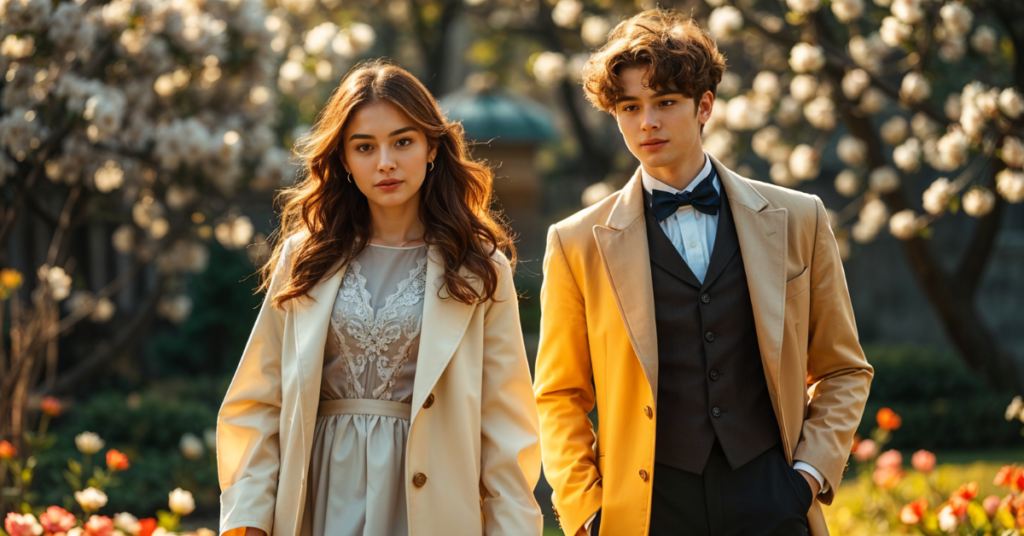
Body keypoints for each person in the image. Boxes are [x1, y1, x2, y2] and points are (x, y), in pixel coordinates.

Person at [534, 9, 873, 536]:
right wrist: (588, 513)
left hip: (771, 495)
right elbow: (559, 395)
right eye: (630, 107)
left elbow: (843, 369)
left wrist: (806, 476)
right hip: (649, 508)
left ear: (704, 106)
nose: (648, 122)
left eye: (665, 103)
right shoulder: (576, 242)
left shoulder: (799, 218)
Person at [216, 59, 543, 536]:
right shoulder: (304, 257)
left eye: (402, 142)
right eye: (364, 147)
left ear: (432, 146)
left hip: (433, 507)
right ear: (343, 160)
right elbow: (257, 402)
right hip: (318, 497)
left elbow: (506, 426)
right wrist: (247, 519)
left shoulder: (478, 267)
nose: (385, 162)